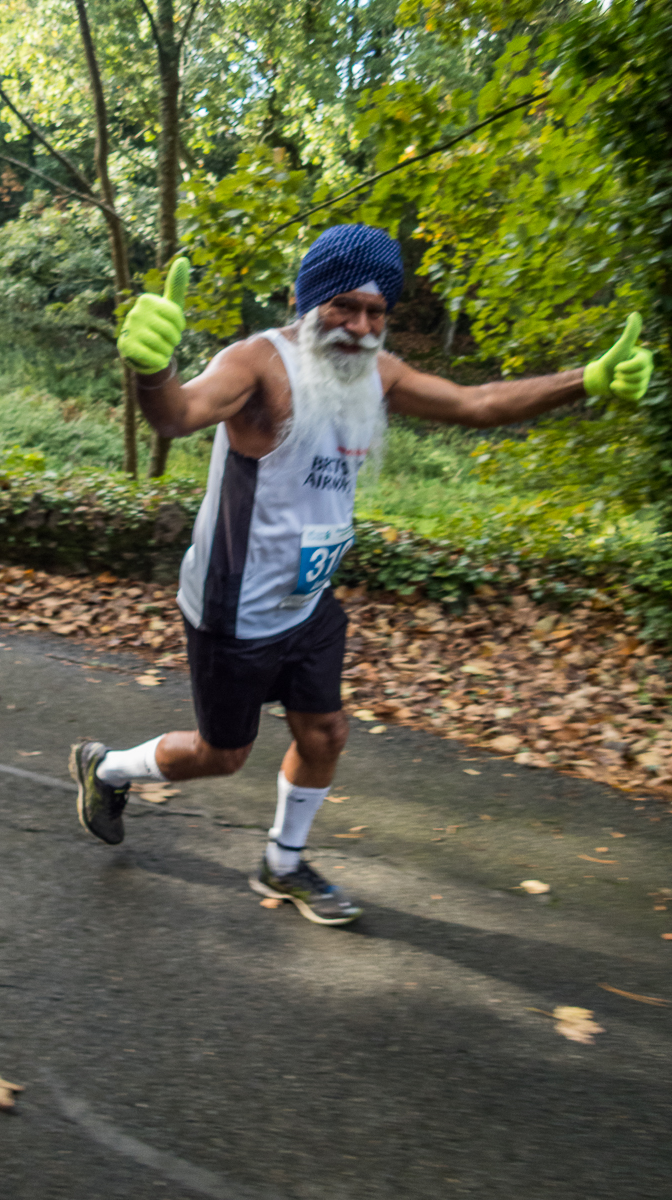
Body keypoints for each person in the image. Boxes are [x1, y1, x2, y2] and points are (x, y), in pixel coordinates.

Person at [71, 223, 654, 926]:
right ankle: (105, 768)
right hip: (237, 610)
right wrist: (151, 366)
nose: (360, 326)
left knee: (327, 734)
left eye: (377, 313)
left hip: (308, 602)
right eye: (344, 306)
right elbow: (178, 415)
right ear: (305, 299)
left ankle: (282, 865)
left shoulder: (378, 375)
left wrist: (584, 381)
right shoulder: (259, 365)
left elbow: (476, 404)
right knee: (223, 756)